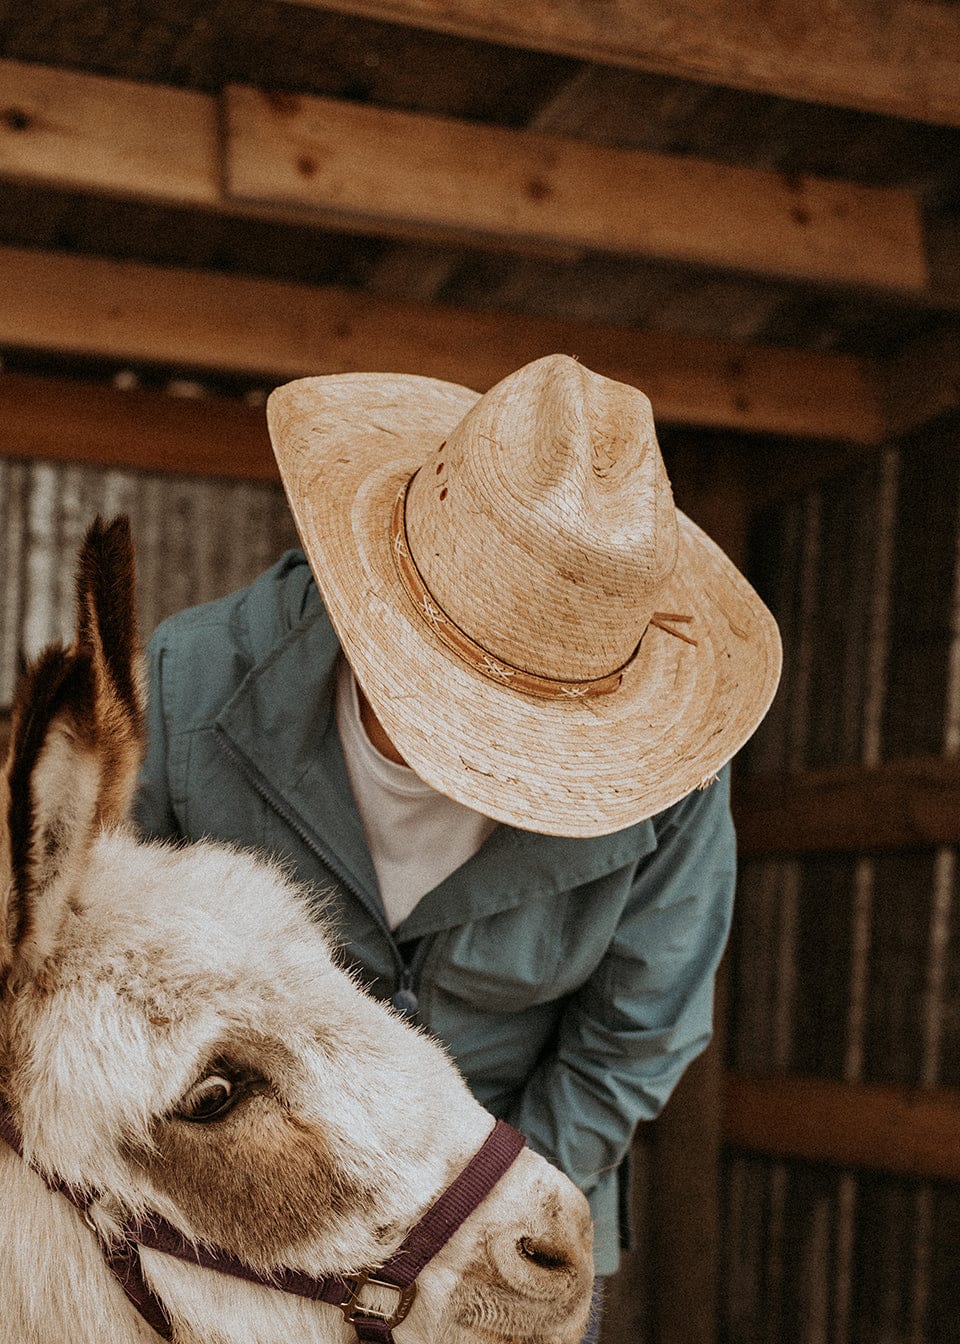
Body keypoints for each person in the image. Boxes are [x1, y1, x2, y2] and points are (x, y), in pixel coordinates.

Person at [135, 354, 781, 1341]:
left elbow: (634, 1037)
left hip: (509, 1218)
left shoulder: (676, 784)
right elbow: (114, 974)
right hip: (245, 1238)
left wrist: (477, 1214)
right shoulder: (190, 682)